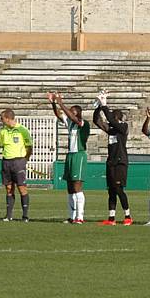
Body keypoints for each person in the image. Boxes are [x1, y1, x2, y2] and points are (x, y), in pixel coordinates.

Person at [49, 92, 90, 224]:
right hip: (70, 155)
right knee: (70, 187)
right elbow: (58, 115)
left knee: (77, 185)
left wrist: (61, 103)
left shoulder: (83, 123)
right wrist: (54, 103)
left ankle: (80, 217)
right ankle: (72, 216)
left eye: (73, 111)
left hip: (79, 155)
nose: (69, 113)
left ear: (78, 113)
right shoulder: (70, 123)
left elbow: (72, 118)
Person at [92, 91, 132, 226]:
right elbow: (96, 120)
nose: (111, 120)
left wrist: (105, 106)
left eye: (113, 117)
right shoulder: (111, 130)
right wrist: (98, 106)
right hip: (111, 162)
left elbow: (111, 120)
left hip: (121, 162)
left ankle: (128, 216)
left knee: (119, 189)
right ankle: (111, 218)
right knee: (111, 190)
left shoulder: (123, 128)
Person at [0, 109, 32, 222]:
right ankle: (8, 215)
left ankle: (25, 216)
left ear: (7, 118)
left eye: (2, 118)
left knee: (21, 188)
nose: (1, 121)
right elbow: (1, 145)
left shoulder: (22, 130)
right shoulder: (3, 131)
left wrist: (25, 159)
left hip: (18, 161)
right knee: (8, 188)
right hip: (6, 162)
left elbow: (29, 147)